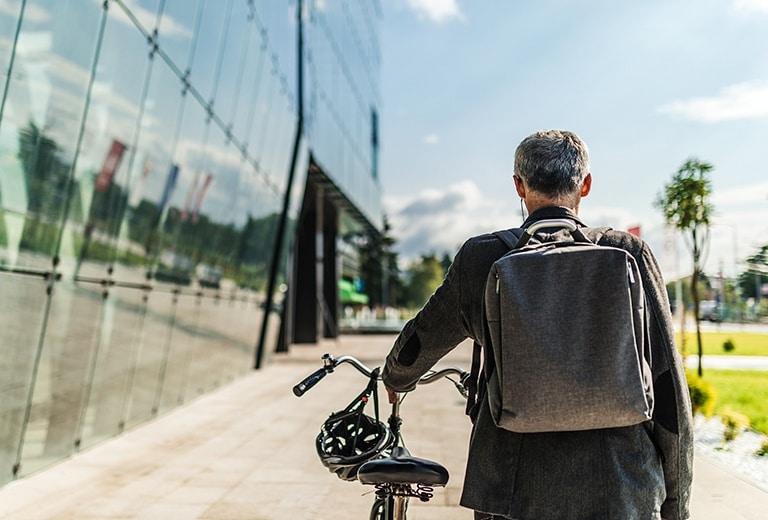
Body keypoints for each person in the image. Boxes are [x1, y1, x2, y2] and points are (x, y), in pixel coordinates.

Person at [381, 130, 693, 520]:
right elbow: (670, 394)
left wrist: (395, 377)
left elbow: (420, 341)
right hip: (622, 486)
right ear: (586, 185)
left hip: (512, 491)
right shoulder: (628, 253)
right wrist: (676, 504)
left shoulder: (484, 258)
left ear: (519, 186)